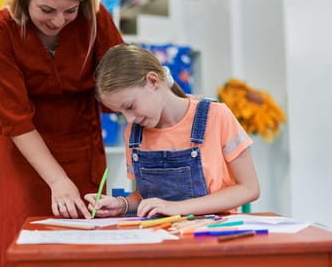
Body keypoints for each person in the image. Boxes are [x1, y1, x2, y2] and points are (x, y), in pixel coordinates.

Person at [0, 0, 123, 266]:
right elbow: (13, 117)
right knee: (24, 241)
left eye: (70, 11)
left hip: (83, 148)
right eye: (47, 10)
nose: (59, 21)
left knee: (85, 248)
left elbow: (124, 79)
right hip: (24, 154)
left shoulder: (96, 18)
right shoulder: (1, 29)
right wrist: (58, 181)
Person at [84, 43, 260, 218]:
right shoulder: (134, 132)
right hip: (159, 234)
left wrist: (178, 207)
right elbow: (147, 195)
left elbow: (249, 188)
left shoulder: (217, 116)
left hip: (211, 234)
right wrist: (122, 204)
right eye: (121, 113)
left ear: (153, 81)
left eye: (130, 106)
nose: (129, 119)